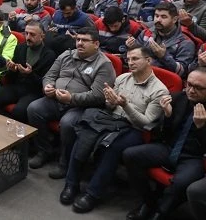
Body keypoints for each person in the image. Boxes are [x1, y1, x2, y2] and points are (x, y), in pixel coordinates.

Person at [60, 47, 168, 213]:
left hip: (133, 128)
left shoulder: (159, 90)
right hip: (110, 119)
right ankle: (71, 183)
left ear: (148, 60)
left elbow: (145, 122)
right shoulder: (123, 78)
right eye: (129, 59)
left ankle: (92, 193)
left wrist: (124, 104)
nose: (130, 63)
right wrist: (110, 101)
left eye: (135, 59)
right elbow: (110, 106)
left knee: (113, 147)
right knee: (85, 132)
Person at [123, 68, 206, 220]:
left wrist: (202, 128)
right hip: (170, 148)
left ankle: (160, 213)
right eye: (189, 84)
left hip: (194, 157)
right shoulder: (178, 98)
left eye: (198, 88)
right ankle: (149, 202)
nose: (191, 90)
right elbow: (162, 136)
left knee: (181, 183)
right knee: (130, 155)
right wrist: (167, 116)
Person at [26, 27, 117, 178]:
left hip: (81, 106)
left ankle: (65, 162)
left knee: (68, 123)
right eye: (78, 39)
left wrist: (71, 98)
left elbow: (98, 96)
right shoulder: (66, 55)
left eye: (85, 40)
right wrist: (47, 86)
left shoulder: (104, 64)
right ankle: (44, 151)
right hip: (56, 98)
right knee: (33, 108)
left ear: (96, 44)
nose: (80, 43)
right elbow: (49, 76)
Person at [0, 20, 56, 123]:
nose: (28, 37)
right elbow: (12, 75)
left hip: (34, 92)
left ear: (42, 36)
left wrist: (29, 74)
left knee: (19, 111)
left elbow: (45, 83)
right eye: (26, 33)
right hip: (17, 86)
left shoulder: (49, 55)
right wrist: (11, 69)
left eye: (32, 34)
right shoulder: (21, 47)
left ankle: (17, 133)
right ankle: (4, 125)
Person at [127, 2, 196, 78]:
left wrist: (163, 56)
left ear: (174, 19)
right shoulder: (146, 33)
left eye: (163, 17)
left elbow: (182, 72)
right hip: (139, 75)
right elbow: (132, 61)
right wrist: (130, 48)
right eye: (156, 16)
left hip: (164, 82)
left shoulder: (185, 43)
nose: (158, 20)